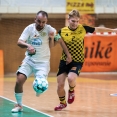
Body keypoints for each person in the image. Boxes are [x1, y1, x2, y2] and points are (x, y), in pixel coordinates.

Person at [54, 9, 117, 111]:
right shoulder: (62, 31)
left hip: (77, 60)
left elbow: (98, 30)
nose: (75, 23)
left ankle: (71, 90)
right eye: (73, 21)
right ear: (68, 19)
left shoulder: (82, 28)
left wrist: (114, 30)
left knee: (71, 78)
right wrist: (50, 36)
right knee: (60, 85)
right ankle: (62, 103)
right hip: (64, 61)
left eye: (77, 21)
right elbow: (53, 43)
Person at [11, 10, 72, 113]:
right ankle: (19, 105)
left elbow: (59, 41)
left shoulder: (50, 30)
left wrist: (68, 54)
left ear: (46, 21)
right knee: (19, 80)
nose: (41, 24)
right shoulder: (29, 28)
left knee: (41, 86)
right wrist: (28, 45)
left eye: (44, 22)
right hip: (29, 60)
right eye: (39, 21)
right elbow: (19, 42)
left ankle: (38, 88)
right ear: (35, 19)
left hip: (42, 63)